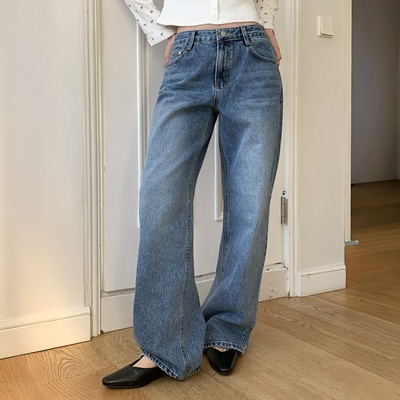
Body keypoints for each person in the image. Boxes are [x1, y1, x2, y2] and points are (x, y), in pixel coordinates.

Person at [102, 0, 282, 389]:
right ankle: (165, 346)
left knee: (250, 203)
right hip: (189, 51)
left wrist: (266, 24)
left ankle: (227, 328)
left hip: (254, 54)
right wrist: (160, 31)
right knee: (161, 200)